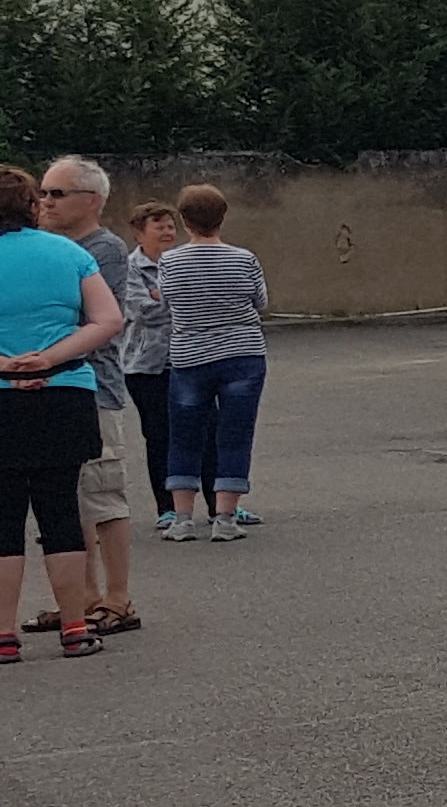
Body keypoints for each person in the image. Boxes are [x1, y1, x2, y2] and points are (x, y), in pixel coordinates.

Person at [0, 165, 124, 659]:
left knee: (4, 517)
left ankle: (3, 635)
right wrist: (50, 358)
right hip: (64, 390)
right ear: (32, 206)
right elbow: (108, 320)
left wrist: (6, 364)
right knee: (61, 511)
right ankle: (75, 626)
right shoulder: (70, 253)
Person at [32, 159, 140, 636]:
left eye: (58, 194)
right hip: (50, 385)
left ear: (92, 200)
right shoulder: (49, 247)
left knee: (102, 495)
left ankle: (118, 597)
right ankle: (80, 596)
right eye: (43, 193)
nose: (46, 202)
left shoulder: (104, 249)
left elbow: (95, 319)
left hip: (94, 386)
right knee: (65, 500)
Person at [156, 183, 270, 538]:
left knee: (184, 435)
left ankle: (182, 519)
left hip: (190, 354)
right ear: (223, 217)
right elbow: (261, 301)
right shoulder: (244, 258)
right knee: (235, 434)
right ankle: (225, 518)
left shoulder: (170, 261)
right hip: (242, 353)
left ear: (184, 220)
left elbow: (166, 304)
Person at [114, 200, 178, 531]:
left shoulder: (181, 262)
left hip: (185, 359)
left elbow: (199, 303)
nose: (167, 232)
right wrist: (174, 298)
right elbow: (143, 312)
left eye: (170, 226)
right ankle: (167, 507)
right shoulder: (129, 269)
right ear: (139, 233)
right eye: (159, 226)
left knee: (207, 430)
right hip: (145, 365)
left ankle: (218, 504)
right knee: (159, 434)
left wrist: (160, 296)